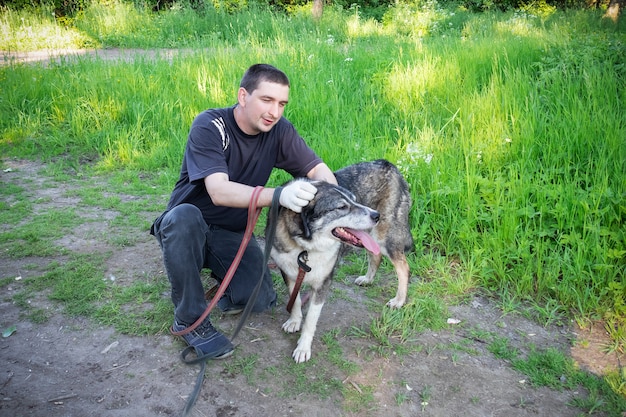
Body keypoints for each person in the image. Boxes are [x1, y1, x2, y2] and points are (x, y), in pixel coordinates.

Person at [151, 63, 337, 359]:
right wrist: (279, 195)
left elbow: (317, 169)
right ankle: (189, 319)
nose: (274, 112)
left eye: (281, 104)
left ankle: (218, 280)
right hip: (188, 228)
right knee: (183, 217)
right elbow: (218, 190)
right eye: (267, 100)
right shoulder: (210, 125)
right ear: (242, 96)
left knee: (260, 298)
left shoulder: (280, 131)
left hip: (231, 233)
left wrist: (337, 203)